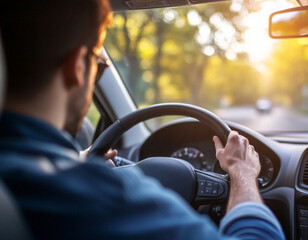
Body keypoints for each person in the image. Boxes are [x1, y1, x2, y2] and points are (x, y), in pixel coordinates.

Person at [0, 0, 285, 239]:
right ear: (77, 66)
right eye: (99, 65)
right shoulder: (99, 197)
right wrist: (242, 173)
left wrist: (76, 159)